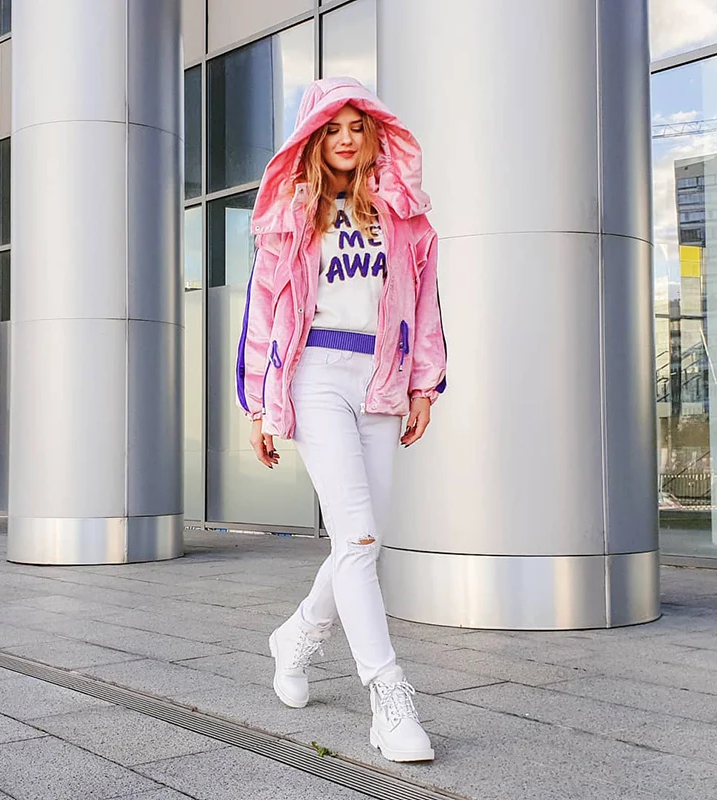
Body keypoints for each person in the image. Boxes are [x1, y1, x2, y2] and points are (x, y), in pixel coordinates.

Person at [235, 77, 446, 763]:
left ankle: (297, 636)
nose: (347, 138)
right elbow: (262, 313)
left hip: (381, 379)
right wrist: (261, 404)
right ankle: (389, 695)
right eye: (333, 128)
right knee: (357, 538)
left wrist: (425, 383)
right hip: (315, 375)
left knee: (363, 543)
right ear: (313, 138)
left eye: (358, 126)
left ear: (375, 133)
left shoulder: (401, 212)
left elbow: (426, 303)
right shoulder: (292, 213)